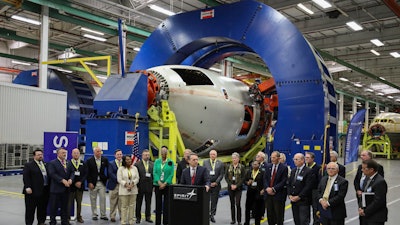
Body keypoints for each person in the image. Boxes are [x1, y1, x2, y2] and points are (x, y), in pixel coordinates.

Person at [48, 147, 74, 225]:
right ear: (58, 154)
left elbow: (72, 172)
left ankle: (64, 221)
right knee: (54, 207)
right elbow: (52, 174)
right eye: (63, 153)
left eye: (65, 153)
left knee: (65, 206)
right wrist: (62, 180)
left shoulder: (68, 162)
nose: (64, 154)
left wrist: (71, 179)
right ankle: (52, 221)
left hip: (66, 190)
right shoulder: (52, 163)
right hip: (56, 189)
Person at [23, 149, 49, 225]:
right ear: (34, 156)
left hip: (44, 191)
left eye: (41, 154)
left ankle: (41, 222)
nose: (40, 156)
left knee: (42, 208)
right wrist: (27, 187)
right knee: (30, 209)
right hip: (32, 191)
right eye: (38, 155)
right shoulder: (29, 165)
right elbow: (26, 177)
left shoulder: (45, 164)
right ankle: (29, 223)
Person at [358, 159, 388, 225]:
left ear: (371, 169)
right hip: (366, 215)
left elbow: (378, 201)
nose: (362, 170)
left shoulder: (380, 182)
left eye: (364, 168)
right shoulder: (366, 179)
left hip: (376, 217)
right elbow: (363, 195)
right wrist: (361, 208)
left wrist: (365, 211)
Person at [287, 153, 314, 225]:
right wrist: (290, 195)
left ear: (302, 160)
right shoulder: (293, 171)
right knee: (297, 220)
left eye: (296, 159)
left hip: (303, 201)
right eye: (294, 159)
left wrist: (299, 196)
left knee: (303, 221)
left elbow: (308, 186)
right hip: (294, 200)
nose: (294, 161)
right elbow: (289, 184)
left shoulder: (308, 171)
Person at [264, 151, 288, 225]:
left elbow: (283, 181)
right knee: (270, 214)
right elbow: (265, 178)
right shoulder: (268, 167)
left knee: (278, 215)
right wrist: (267, 188)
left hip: (278, 195)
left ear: (278, 158)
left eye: (274, 157)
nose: (272, 159)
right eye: (271, 157)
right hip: (268, 195)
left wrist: (274, 189)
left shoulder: (283, 168)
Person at [86, 146, 109, 221]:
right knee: (93, 199)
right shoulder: (89, 161)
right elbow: (87, 173)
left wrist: (106, 178)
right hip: (93, 183)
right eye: (97, 151)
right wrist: (89, 182)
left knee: (103, 198)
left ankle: (103, 214)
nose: (99, 153)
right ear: (94, 152)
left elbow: (108, 169)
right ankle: (94, 214)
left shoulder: (104, 159)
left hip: (102, 182)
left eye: (100, 151)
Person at [153, 146, 175, 225]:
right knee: (158, 204)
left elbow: (171, 174)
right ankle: (157, 222)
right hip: (157, 185)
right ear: (160, 153)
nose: (163, 153)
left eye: (165, 151)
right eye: (162, 152)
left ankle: (166, 222)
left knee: (166, 205)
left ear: (167, 153)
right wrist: (159, 182)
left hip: (167, 186)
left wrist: (165, 183)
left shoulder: (171, 162)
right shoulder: (157, 161)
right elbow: (154, 172)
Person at [202, 149, 225, 223]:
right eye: (211, 154)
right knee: (206, 200)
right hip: (207, 185)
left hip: (216, 185)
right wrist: (208, 183)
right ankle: (207, 214)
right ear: (209, 155)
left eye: (214, 154)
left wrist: (216, 182)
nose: (212, 156)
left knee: (214, 201)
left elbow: (221, 174)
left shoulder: (220, 163)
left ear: (216, 155)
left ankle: (212, 215)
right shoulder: (205, 162)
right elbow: (204, 173)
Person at [118, 155, 140, 225]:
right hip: (124, 190)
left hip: (133, 190)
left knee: (132, 206)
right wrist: (126, 185)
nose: (129, 161)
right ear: (124, 161)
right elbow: (119, 179)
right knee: (124, 207)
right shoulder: (121, 169)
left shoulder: (134, 168)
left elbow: (137, 178)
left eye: (130, 159)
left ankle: (131, 221)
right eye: (127, 160)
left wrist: (133, 184)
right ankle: (123, 221)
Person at [225, 152, 246, 225]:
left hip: (238, 188)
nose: (233, 159)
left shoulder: (242, 167)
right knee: (232, 204)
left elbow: (243, 178)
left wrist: (237, 185)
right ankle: (233, 219)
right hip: (230, 187)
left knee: (238, 204)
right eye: (233, 158)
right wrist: (231, 185)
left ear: (238, 159)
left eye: (235, 158)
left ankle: (239, 220)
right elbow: (226, 177)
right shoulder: (228, 166)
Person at [68, 148, 87, 223]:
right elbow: (67, 174)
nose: (76, 154)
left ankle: (79, 216)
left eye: (77, 153)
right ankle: (67, 218)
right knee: (69, 203)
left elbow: (85, 174)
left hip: (80, 186)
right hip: (71, 187)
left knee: (79, 203)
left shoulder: (83, 163)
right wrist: (73, 182)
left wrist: (80, 182)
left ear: (79, 154)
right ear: (72, 154)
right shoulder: (68, 163)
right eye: (74, 153)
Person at [135, 149, 154, 223]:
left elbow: (153, 175)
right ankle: (138, 217)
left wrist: (153, 186)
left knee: (148, 203)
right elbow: (136, 176)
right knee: (138, 203)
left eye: (148, 155)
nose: (147, 156)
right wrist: (137, 186)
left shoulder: (152, 164)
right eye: (145, 155)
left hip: (149, 186)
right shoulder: (137, 164)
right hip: (140, 186)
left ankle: (148, 217)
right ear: (142, 156)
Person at [244, 161, 265, 225]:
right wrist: (247, 183)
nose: (254, 165)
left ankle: (257, 222)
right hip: (250, 192)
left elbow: (265, 181)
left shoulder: (262, 172)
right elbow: (245, 180)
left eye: (255, 164)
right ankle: (247, 222)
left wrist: (263, 189)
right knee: (247, 208)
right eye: (253, 164)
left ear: (259, 165)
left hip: (258, 192)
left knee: (257, 209)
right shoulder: (249, 172)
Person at [305, 151, 322, 225]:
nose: (306, 159)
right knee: (305, 209)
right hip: (306, 191)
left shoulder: (318, 168)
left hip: (314, 191)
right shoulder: (305, 167)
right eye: (305, 157)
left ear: (313, 159)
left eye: (308, 157)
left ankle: (316, 223)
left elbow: (319, 180)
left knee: (315, 208)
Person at [108, 149, 123, 222]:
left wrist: (122, 181)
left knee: (122, 202)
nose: (119, 156)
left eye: (120, 154)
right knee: (113, 202)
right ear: (115, 155)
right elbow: (110, 173)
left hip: (122, 186)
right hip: (114, 185)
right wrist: (118, 180)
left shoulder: (124, 164)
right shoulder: (111, 163)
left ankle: (122, 216)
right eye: (118, 154)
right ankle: (112, 216)